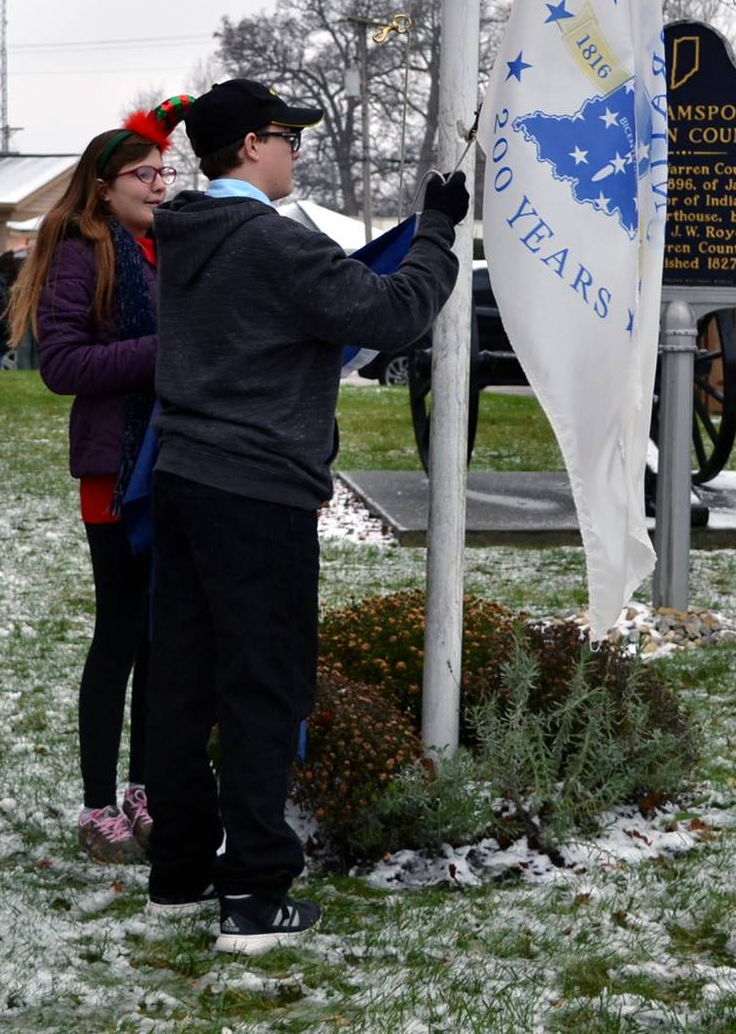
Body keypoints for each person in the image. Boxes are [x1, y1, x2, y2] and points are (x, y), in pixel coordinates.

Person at [145, 78, 467, 952]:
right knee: (262, 684)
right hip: (258, 492)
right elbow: (395, 312)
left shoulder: (186, 233)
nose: (297, 149)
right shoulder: (268, 243)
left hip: (183, 479)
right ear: (250, 146)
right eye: (287, 134)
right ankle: (253, 891)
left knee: (180, 678)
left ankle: (178, 871)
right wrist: (438, 230)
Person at [9, 100, 184, 865]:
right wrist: (164, 351)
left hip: (170, 462)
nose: (159, 184)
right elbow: (63, 365)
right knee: (118, 632)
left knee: (158, 636)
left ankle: (145, 787)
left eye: (165, 171)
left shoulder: (161, 248)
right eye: (146, 173)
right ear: (104, 185)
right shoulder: (83, 248)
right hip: (115, 470)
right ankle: (96, 805)